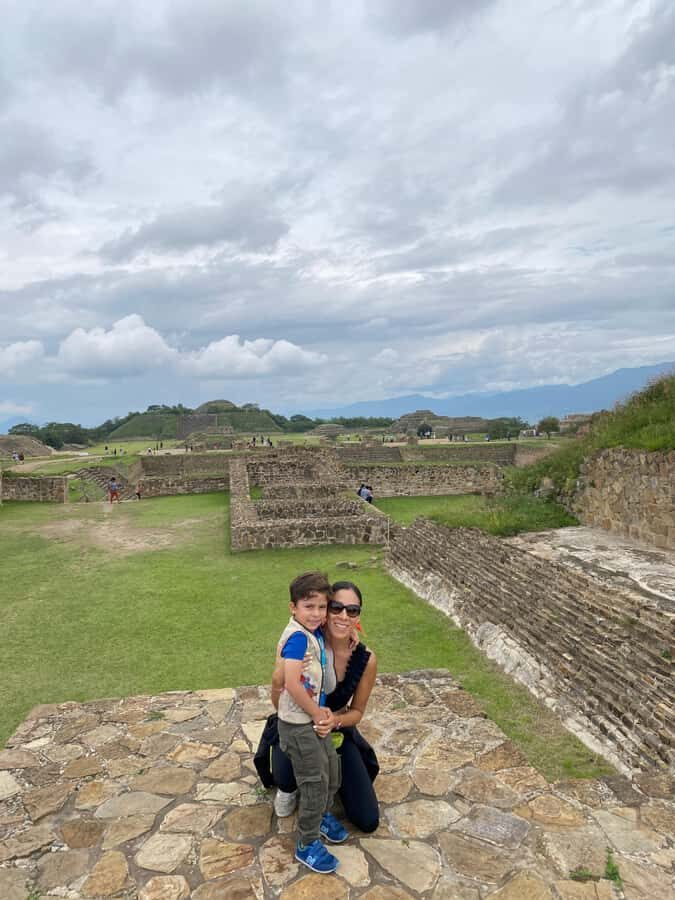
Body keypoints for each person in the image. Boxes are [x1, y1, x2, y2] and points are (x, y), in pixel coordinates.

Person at [255, 580, 379, 836]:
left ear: (358, 616)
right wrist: (279, 677)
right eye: (336, 607)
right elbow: (280, 702)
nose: (343, 616)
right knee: (286, 777)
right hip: (295, 724)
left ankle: (324, 795)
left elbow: (356, 713)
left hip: (333, 729)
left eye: (352, 611)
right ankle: (292, 792)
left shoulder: (365, 659)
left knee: (367, 819)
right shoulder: (308, 640)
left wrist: (332, 720)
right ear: (327, 610)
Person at [273, 572, 347, 874]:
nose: (316, 614)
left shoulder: (314, 634)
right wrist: (317, 714)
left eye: (321, 606)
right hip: (298, 725)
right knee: (314, 783)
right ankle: (307, 842)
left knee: (330, 770)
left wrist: (324, 712)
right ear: (294, 608)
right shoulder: (296, 638)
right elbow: (291, 682)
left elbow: (318, 681)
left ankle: (323, 815)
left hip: (314, 721)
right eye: (309, 606)